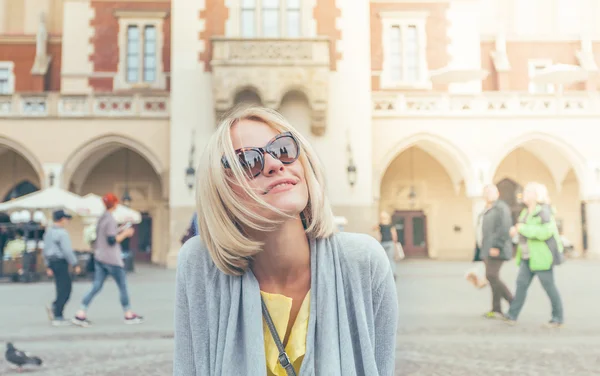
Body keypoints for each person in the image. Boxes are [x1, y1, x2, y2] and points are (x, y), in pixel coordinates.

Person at [174, 107, 398, 376]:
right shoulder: (200, 265)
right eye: (247, 162)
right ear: (220, 188)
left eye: (283, 149)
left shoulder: (364, 261)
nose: (274, 164)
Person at [72, 193, 143, 327]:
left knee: (96, 286)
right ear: (115, 204)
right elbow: (111, 240)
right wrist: (126, 233)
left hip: (100, 257)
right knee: (122, 286)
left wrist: (120, 229)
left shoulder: (102, 218)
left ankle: (81, 312)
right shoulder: (110, 219)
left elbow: (105, 236)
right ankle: (128, 314)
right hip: (112, 259)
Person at [505, 182, 564, 327]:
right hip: (527, 257)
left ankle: (557, 318)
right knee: (521, 285)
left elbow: (545, 232)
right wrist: (516, 230)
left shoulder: (544, 211)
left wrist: (522, 228)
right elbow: (523, 230)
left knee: (549, 287)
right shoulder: (526, 212)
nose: (523, 194)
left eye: (527, 192)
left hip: (541, 257)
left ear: (536, 195)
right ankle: (512, 315)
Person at [477, 184, 514, 319]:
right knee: (492, 278)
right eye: (486, 192)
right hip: (487, 248)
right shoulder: (487, 209)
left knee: (492, 275)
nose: (488, 194)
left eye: (491, 192)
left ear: (497, 193)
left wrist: (497, 246)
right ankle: (496, 308)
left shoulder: (501, 208)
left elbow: (504, 228)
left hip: (497, 248)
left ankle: (513, 301)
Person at [43, 210, 80, 326]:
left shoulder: (48, 232)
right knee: (66, 289)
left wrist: (47, 265)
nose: (67, 221)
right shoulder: (62, 233)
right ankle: (57, 313)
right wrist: (75, 263)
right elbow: (67, 250)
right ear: (62, 219)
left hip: (52, 262)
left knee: (60, 287)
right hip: (61, 261)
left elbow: (45, 250)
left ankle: (56, 308)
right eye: (66, 218)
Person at [375, 211, 402, 280]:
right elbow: (394, 235)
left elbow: (374, 229)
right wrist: (395, 244)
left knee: (383, 259)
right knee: (391, 259)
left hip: (383, 243)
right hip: (390, 243)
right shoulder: (391, 225)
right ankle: (392, 274)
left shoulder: (380, 225)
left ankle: (384, 274)